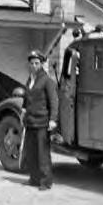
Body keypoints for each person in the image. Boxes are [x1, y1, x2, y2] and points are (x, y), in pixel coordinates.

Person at [22, 50, 59, 191]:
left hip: (42, 121)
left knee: (43, 154)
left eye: (37, 63)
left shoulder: (47, 80)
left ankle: (45, 181)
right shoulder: (30, 79)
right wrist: (23, 110)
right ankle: (34, 178)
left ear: (42, 64)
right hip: (30, 121)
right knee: (31, 152)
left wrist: (53, 119)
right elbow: (27, 98)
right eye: (31, 63)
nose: (34, 65)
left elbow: (54, 101)